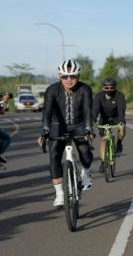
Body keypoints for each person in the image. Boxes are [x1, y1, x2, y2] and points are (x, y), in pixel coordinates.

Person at [39, 60, 94, 207]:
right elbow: (47, 111)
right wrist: (45, 131)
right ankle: (59, 194)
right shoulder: (52, 90)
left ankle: (86, 172)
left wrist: (89, 128)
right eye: (65, 76)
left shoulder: (85, 89)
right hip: (58, 125)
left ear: (78, 75)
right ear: (60, 76)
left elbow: (88, 109)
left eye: (73, 76)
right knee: (54, 154)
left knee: (85, 150)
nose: (69, 79)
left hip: (79, 124)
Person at [92, 77, 126, 172]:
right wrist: (93, 121)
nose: (109, 90)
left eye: (112, 88)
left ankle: (119, 143)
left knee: (122, 129)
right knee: (103, 139)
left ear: (115, 87)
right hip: (104, 119)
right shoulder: (99, 96)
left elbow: (121, 110)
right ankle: (103, 162)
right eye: (107, 88)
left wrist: (121, 122)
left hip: (116, 117)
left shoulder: (120, 95)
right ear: (103, 88)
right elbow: (95, 110)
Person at [0, 92, 13, 169]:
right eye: (6, 95)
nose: (7, 97)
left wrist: (5, 103)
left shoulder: (3, 103)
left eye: (8, 97)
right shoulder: (2, 102)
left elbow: (2, 112)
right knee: (6, 139)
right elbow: (2, 112)